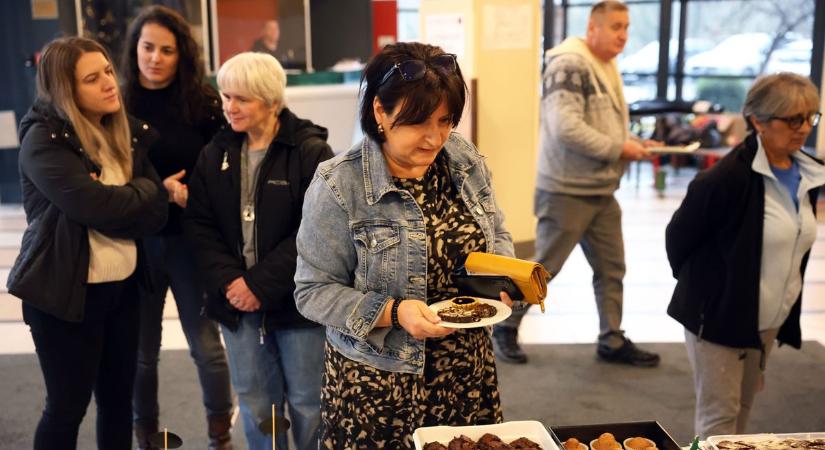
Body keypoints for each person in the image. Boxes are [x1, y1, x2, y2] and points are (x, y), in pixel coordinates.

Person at [294, 42, 516, 450]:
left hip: (464, 371)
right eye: (419, 123)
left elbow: (496, 233)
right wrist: (394, 312)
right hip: (379, 385)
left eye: (446, 120)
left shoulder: (464, 161)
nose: (436, 138)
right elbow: (312, 292)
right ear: (380, 111)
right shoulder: (339, 185)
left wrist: (506, 277)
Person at [7, 36, 167, 449]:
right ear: (67, 89)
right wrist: (143, 193)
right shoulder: (43, 140)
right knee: (66, 408)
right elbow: (98, 208)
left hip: (124, 291)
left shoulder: (120, 131)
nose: (109, 84)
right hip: (64, 294)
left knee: (117, 403)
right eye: (92, 79)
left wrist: (135, 197)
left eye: (108, 72)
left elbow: (154, 212)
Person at [492, 0, 660, 367]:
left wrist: (632, 141)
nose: (623, 35)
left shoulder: (603, 63)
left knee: (612, 268)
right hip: (567, 190)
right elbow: (565, 127)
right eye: (616, 26)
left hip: (601, 189)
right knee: (544, 268)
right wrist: (620, 147)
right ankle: (505, 326)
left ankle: (611, 339)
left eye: (627, 27)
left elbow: (598, 123)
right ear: (592, 28)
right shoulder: (569, 63)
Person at [183, 52, 333, 450]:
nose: (229, 107)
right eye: (225, 96)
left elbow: (316, 233)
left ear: (271, 101)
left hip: (298, 305)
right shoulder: (214, 153)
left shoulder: (311, 153)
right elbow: (199, 225)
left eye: (241, 99)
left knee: (307, 403)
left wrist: (259, 285)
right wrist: (233, 283)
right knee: (254, 404)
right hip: (236, 306)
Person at [666, 73, 824, 439]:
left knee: (743, 413)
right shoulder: (725, 179)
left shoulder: (807, 173)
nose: (803, 129)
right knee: (719, 421)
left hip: (767, 320)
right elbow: (678, 238)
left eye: (810, 117)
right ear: (758, 121)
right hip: (719, 319)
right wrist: (709, 293)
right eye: (792, 119)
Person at [120, 6, 234, 449]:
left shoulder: (203, 102)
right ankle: (145, 433)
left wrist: (197, 192)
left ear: (181, 54)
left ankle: (219, 435)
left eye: (167, 50)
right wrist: (157, 188)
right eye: (148, 47)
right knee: (142, 353)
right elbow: (106, 173)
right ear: (134, 49)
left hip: (191, 241)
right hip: (137, 243)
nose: (155, 58)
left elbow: (225, 165)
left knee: (206, 347)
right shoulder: (118, 102)